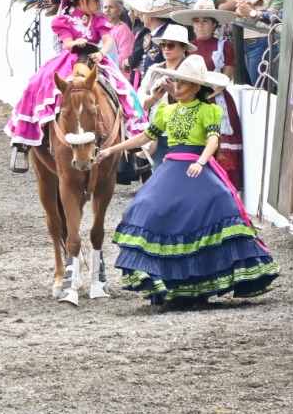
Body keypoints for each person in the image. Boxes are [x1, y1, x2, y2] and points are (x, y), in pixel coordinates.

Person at [98, 55, 279, 307]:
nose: (177, 85)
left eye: (183, 82)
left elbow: (214, 140)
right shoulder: (166, 110)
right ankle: (170, 284)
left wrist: (201, 161)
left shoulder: (210, 110)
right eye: (177, 82)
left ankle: (198, 286)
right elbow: (144, 137)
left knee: (218, 203)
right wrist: (112, 149)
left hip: (196, 165)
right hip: (171, 167)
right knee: (146, 206)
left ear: (196, 87)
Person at [8, 0, 144, 171]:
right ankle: (24, 138)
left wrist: (102, 53)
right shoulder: (65, 19)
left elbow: (108, 40)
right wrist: (75, 42)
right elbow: (67, 43)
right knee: (37, 84)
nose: (98, 4)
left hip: (94, 59)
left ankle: (133, 140)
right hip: (70, 59)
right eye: (94, 0)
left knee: (126, 90)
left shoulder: (98, 19)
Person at [174, 7, 244, 191]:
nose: (200, 25)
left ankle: (224, 190)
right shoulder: (188, 48)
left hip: (217, 98)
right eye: (196, 21)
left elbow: (226, 77)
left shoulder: (224, 46)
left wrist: (210, 91)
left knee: (220, 143)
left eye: (205, 21)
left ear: (214, 24)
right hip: (193, 98)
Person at [235, 0, 285, 86]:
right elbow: (264, 14)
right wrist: (250, 10)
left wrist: (250, 12)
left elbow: (272, 16)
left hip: (279, 52)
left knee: (260, 89)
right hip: (279, 51)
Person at [136, 22, 193, 114]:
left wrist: (174, 93)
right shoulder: (154, 69)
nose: (166, 48)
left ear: (184, 48)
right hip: (153, 124)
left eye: (171, 45)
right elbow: (139, 102)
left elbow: (194, 106)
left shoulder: (191, 73)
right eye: (163, 45)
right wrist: (154, 98)